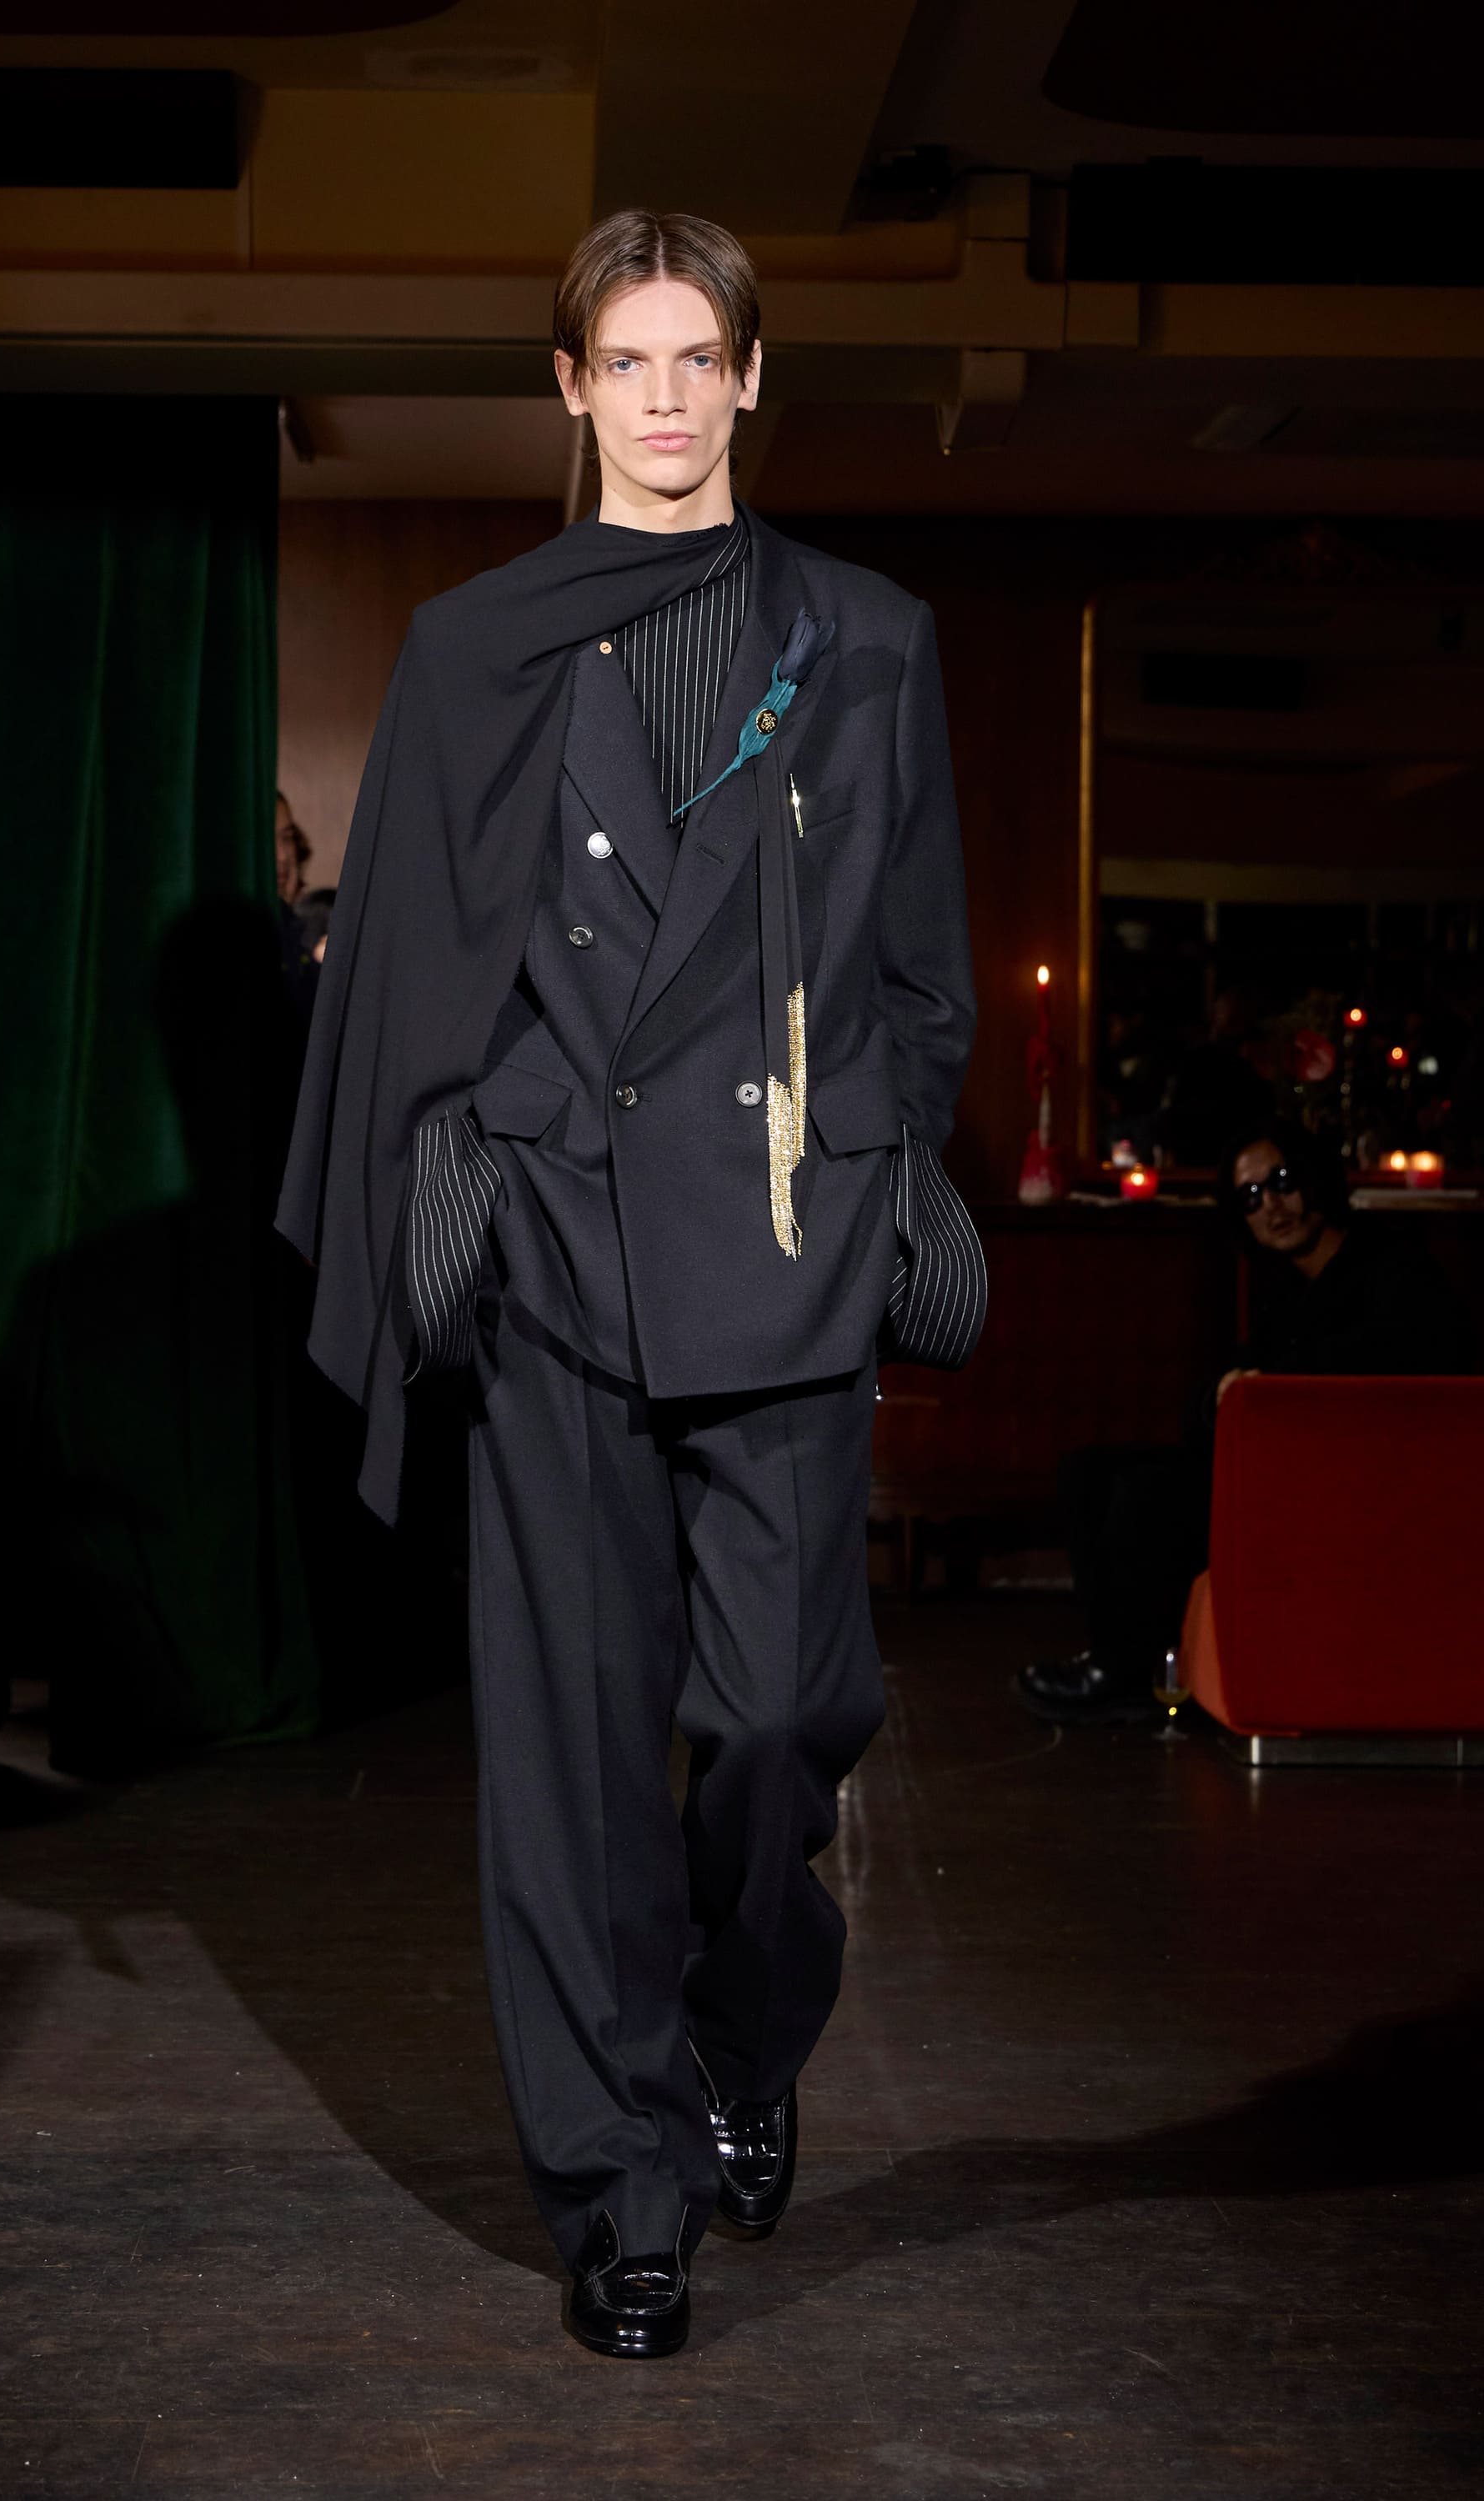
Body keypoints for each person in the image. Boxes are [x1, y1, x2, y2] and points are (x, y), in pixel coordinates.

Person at [277, 208, 984, 2358]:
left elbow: (920, 967)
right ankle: (619, 2189)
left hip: (778, 1242)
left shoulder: (862, 635)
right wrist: (461, 1176)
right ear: (568, 389)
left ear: (751, 379)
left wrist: (873, 1163)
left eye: (701, 358)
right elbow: (413, 962)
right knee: (576, 1755)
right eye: (627, 361)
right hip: (564, 1253)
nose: (666, 398)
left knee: (775, 1722)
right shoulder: (473, 647)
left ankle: (742, 2034)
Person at [1019, 1117, 1472, 1727]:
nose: (1272, 1207)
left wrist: (1265, 1386)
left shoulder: (1391, 1266)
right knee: (1088, 1472)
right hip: (1273, 1466)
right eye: (1251, 1197)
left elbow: (1403, 1359)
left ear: (1314, 1180)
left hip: (1352, 1480)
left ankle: (1123, 1670)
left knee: (1149, 1492)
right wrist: (1227, 1395)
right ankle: (1120, 1661)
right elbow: (1210, 1398)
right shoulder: (1284, 1291)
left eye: (1281, 1183)